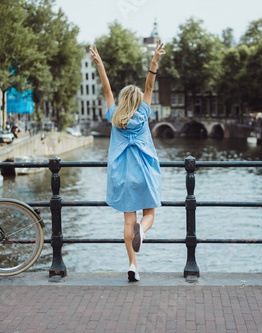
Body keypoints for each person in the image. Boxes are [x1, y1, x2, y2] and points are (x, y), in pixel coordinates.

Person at [90, 41, 165, 282]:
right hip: (143, 171)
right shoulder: (143, 114)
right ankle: (141, 232)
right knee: (149, 214)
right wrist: (154, 62)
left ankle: (132, 265)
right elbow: (150, 85)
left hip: (122, 173)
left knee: (127, 220)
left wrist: (100, 64)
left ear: (123, 101)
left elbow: (106, 89)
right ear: (139, 100)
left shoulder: (114, 116)